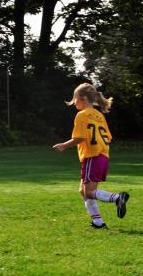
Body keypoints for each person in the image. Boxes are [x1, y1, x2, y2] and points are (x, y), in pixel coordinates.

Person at [53, 83, 129, 229]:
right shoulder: (99, 115)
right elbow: (108, 138)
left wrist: (63, 145)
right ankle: (98, 223)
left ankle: (118, 198)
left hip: (92, 156)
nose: (74, 102)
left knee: (89, 192)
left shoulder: (81, 115)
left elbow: (80, 138)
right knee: (83, 191)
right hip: (102, 156)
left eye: (75, 99)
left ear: (82, 98)